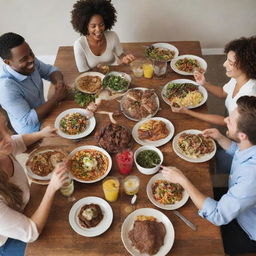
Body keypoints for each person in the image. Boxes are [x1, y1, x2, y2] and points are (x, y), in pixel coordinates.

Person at [162, 95, 256, 255]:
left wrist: (182, 180)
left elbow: (217, 215)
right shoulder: (250, 145)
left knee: (190, 240)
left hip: (246, 230)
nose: (225, 119)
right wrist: (221, 138)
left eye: (230, 121)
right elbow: (241, 154)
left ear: (242, 136)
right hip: (235, 202)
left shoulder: (251, 176)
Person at [0, 110, 69, 256]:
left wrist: (41, 134)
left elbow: (19, 141)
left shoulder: (5, 148)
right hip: (10, 241)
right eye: (0, 137)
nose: (9, 137)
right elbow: (31, 233)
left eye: (6, 127)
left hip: (27, 207)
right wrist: (51, 188)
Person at [172, 36, 256, 126]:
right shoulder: (238, 77)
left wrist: (187, 112)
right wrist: (204, 83)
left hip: (239, 132)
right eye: (227, 60)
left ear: (246, 67)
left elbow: (226, 122)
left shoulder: (250, 97)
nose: (224, 64)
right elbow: (223, 93)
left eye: (230, 63)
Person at [0, 32, 68, 134]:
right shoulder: (6, 88)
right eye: (24, 59)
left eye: (31, 53)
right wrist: (56, 98)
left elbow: (50, 70)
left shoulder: (29, 59)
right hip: (32, 132)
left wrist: (59, 82)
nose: (31, 60)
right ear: (7, 62)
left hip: (47, 112)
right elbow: (28, 120)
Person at [71, 0, 135, 73]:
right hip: (93, 79)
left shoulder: (112, 36)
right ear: (86, 27)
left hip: (115, 73)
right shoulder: (79, 45)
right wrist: (97, 71)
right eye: (93, 26)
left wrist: (125, 58)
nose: (98, 29)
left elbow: (120, 54)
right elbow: (83, 73)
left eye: (101, 25)